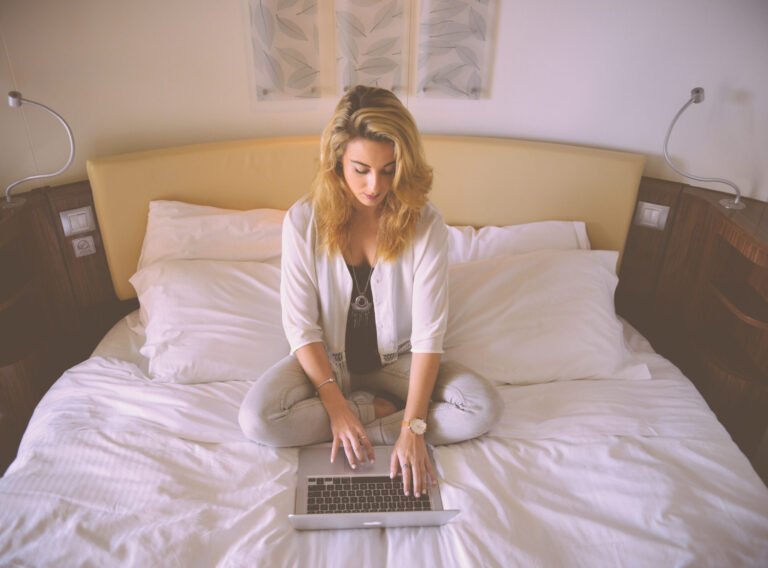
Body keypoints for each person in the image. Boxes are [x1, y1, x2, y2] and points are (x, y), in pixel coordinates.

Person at [239, 85, 502, 497]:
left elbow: (429, 336)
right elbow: (301, 326)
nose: (375, 186)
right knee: (258, 420)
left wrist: (413, 428)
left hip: (400, 361)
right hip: (328, 366)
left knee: (482, 406)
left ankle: (386, 425)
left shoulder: (426, 225)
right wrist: (337, 406)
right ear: (337, 161)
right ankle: (373, 413)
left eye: (388, 169)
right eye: (360, 169)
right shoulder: (302, 220)